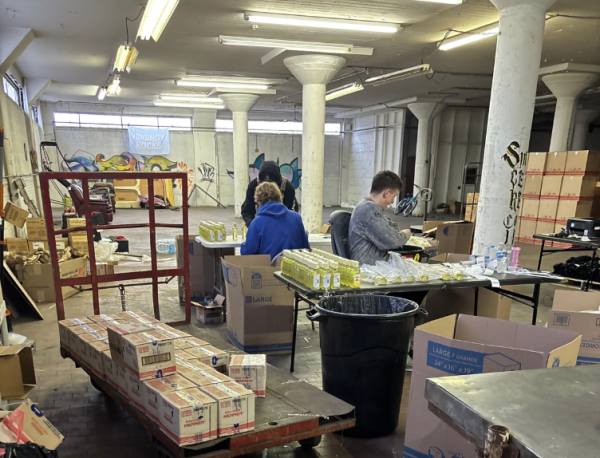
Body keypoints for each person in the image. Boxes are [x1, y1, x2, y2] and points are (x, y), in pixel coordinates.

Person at [349, 170, 411, 265]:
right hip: (370, 268)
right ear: (386, 193)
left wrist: (396, 234)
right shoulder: (369, 209)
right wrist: (406, 235)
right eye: (393, 196)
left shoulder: (367, 206)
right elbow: (392, 240)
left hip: (376, 263)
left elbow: (392, 227)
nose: (392, 201)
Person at [241, 182, 310, 260]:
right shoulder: (296, 217)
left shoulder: (256, 223)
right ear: (279, 197)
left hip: (270, 270)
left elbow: (247, 252)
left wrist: (243, 246)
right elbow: (306, 248)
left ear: (258, 201)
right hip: (295, 268)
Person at [241, 161, 297, 227]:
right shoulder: (253, 185)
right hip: (260, 224)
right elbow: (247, 210)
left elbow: (290, 212)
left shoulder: (287, 187)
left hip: (281, 224)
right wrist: (254, 226)